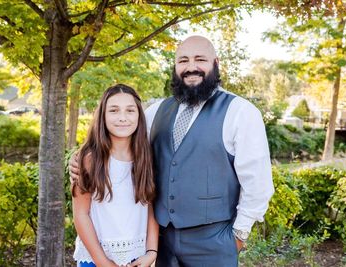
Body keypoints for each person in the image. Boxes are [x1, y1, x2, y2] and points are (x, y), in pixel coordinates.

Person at [71, 36, 274, 267]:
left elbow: (258, 184)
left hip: (214, 242)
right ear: (175, 67)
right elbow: (120, 144)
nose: (191, 67)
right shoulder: (155, 111)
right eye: (183, 61)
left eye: (200, 59)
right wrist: (79, 160)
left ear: (216, 63)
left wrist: (238, 235)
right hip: (162, 244)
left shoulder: (240, 112)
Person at [71, 84, 158, 267]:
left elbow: (149, 206)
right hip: (96, 259)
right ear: (102, 115)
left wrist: (151, 251)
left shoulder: (147, 157)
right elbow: (81, 214)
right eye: (114, 110)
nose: (122, 118)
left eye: (130, 110)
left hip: (137, 257)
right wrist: (103, 262)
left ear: (139, 116)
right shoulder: (90, 159)